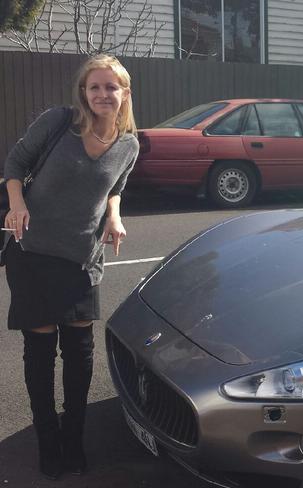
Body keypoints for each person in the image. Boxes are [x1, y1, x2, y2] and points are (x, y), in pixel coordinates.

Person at [2, 54, 139, 479]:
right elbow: (15, 164)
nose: (101, 94)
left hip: (82, 259)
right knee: (41, 355)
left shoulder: (129, 144)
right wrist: (17, 204)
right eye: (93, 87)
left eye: (110, 87)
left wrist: (114, 215)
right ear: (84, 92)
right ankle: (49, 442)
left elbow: (115, 187)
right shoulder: (58, 123)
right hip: (33, 254)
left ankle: (74, 440)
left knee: (79, 356)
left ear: (124, 93)